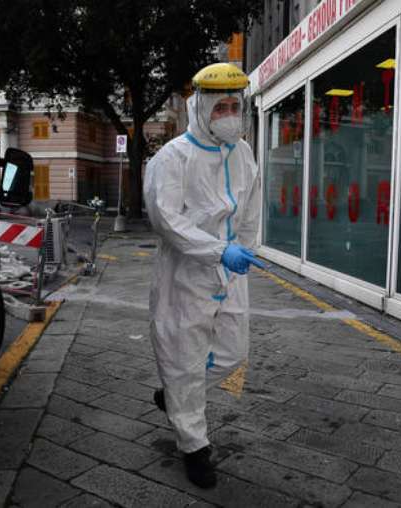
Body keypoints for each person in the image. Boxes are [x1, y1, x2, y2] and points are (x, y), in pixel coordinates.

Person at [143, 62, 263, 488]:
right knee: (183, 359)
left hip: (231, 275)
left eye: (235, 105)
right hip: (186, 277)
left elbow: (250, 207)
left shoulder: (244, 154)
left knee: (233, 354)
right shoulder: (172, 158)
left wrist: (245, 250)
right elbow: (167, 220)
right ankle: (194, 446)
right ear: (201, 107)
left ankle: (173, 395)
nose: (229, 115)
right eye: (221, 107)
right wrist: (216, 249)